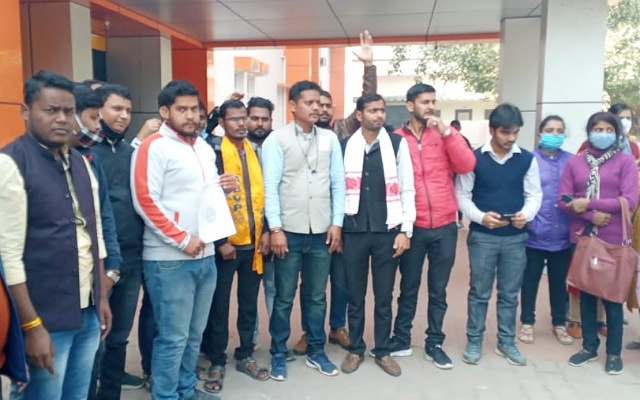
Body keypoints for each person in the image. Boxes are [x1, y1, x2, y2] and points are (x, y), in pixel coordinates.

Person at [0, 70, 111, 400]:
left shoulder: (80, 161)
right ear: (26, 112)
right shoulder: (11, 163)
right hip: (44, 317)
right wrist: (31, 327)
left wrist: (102, 297)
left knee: (77, 395)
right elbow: (8, 256)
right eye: (51, 110)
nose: (62, 119)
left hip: (87, 310)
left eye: (68, 111)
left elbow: (95, 234)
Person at [131, 80, 235, 400]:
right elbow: (145, 200)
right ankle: (166, 395)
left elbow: (199, 197)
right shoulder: (153, 147)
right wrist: (181, 239)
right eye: (182, 109)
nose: (191, 116)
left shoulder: (202, 147)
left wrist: (222, 186)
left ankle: (186, 391)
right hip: (169, 260)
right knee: (173, 338)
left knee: (193, 335)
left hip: (204, 255)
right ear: (165, 112)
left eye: (194, 109)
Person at [292, 29, 375, 357]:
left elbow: (368, 102)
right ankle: (308, 331)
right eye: (316, 104)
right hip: (307, 222)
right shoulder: (296, 137)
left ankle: (337, 326)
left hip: (341, 221)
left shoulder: (343, 130)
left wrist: (368, 67)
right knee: (310, 285)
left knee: (340, 281)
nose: (322, 109)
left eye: (326, 105)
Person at [262, 80, 345, 381]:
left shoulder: (329, 139)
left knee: (317, 296)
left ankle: (316, 350)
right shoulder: (277, 139)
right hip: (289, 231)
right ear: (293, 105)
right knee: (283, 297)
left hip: (321, 231)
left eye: (319, 103)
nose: (316, 108)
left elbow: (338, 183)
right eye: (309, 103)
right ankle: (278, 353)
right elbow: (270, 187)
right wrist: (275, 228)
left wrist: (337, 222)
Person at [390, 84, 475, 370]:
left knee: (438, 290)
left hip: (444, 224)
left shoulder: (446, 134)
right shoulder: (396, 139)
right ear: (410, 105)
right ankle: (401, 338)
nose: (430, 107)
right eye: (424, 101)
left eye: (433, 102)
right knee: (409, 286)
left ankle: (434, 343)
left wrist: (448, 133)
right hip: (412, 225)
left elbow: (466, 165)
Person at [456, 103, 542, 367]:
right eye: (505, 132)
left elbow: (535, 195)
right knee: (479, 292)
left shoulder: (527, 159)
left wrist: (526, 214)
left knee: (509, 294)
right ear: (492, 130)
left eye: (515, 132)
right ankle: (474, 341)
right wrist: (481, 217)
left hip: (516, 238)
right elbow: (462, 196)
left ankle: (506, 342)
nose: (511, 138)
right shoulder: (474, 159)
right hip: (483, 237)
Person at [340, 93, 415, 377]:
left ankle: (382, 351)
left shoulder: (396, 144)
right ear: (359, 115)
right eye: (373, 110)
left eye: (382, 110)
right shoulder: (345, 146)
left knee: (384, 296)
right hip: (354, 230)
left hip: (387, 231)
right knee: (355, 296)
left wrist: (406, 230)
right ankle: (355, 349)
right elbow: (337, 188)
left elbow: (407, 187)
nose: (379, 115)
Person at [559, 111, 638, 375]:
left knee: (613, 299)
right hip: (583, 236)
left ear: (616, 134)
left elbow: (630, 200)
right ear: (589, 132)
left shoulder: (625, 161)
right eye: (598, 129)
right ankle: (589, 347)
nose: (602, 134)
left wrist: (589, 203)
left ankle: (614, 353)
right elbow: (564, 200)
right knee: (586, 294)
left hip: (614, 239)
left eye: (608, 130)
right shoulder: (575, 162)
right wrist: (591, 215)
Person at [199, 99, 270, 394]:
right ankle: (217, 359)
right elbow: (209, 198)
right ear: (222, 122)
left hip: (254, 243)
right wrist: (221, 241)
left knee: (249, 304)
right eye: (234, 119)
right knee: (219, 306)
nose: (241, 124)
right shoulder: (214, 153)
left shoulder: (254, 151)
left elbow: (263, 194)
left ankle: (245, 354)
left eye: (244, 118)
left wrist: (266, 231)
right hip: (227, 244)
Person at [90, 84, 147, 395]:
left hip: (132, 257)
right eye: (116, 109)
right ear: (98, 110)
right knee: (93, 337)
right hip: (98, 261)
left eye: (127, 110)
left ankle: (110, 392)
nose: (124, 115)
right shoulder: (85, 153)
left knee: (120, 335)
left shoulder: (132, 154)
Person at [518, 115, 573, 346]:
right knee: (529, 280)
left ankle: (559, 323)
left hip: (563, 234)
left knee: (559, 281)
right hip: (534, 234)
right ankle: (527, 322)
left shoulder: (572, 161)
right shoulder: (528, 160)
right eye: (550, 130)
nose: (555, 134)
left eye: (559, 131)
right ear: (540, 133)